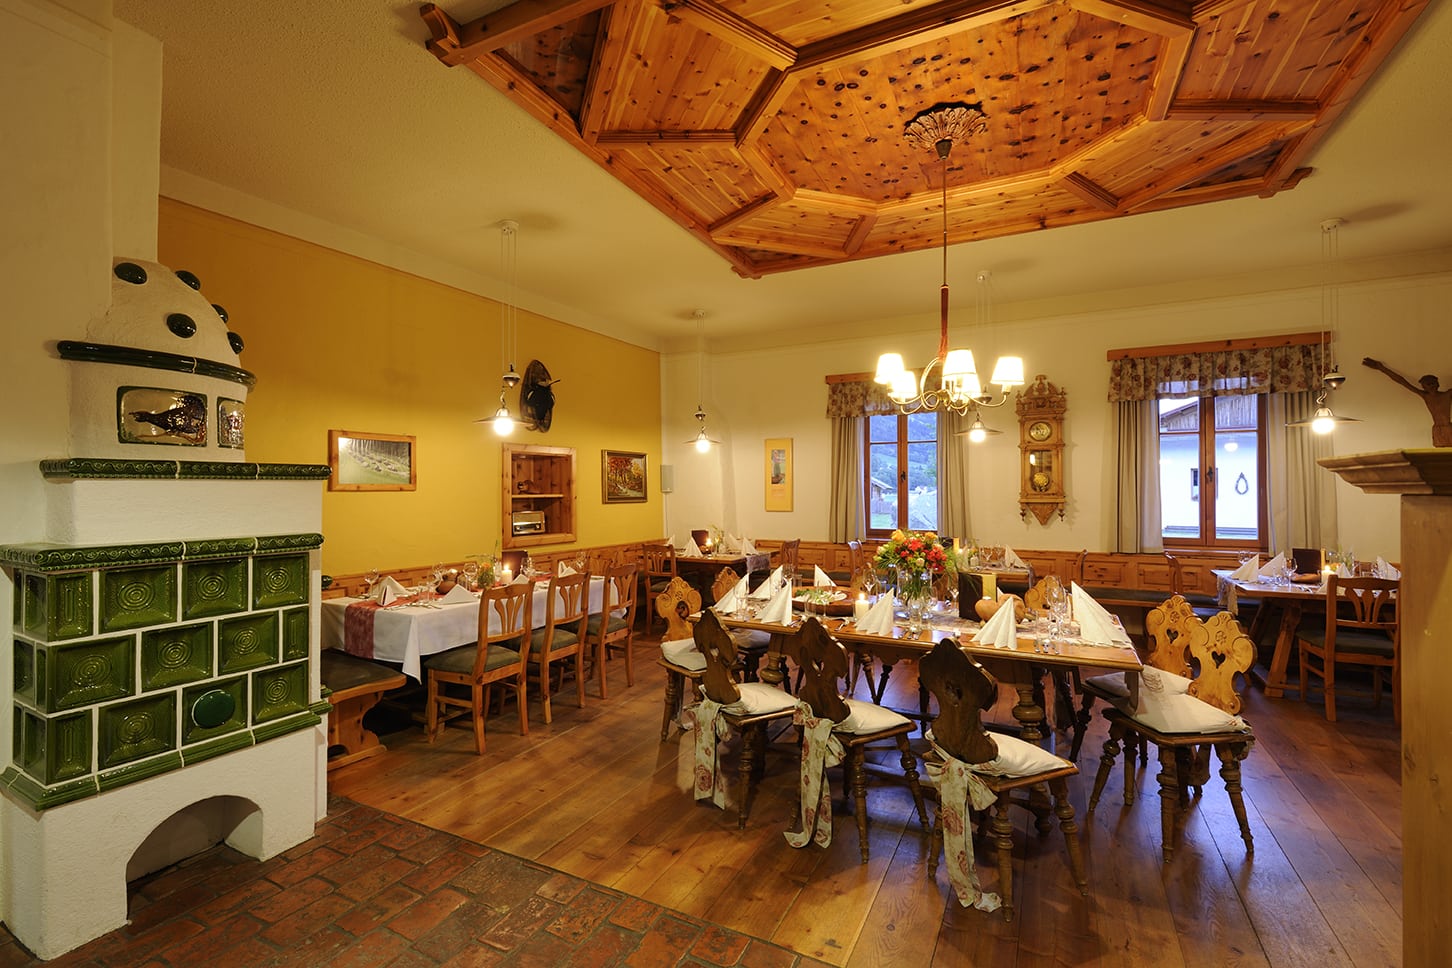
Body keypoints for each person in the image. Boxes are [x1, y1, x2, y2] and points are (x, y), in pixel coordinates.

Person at [1362, 357, 1452, 446]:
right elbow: (1402, 381)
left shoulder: (1447, 395)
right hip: (1437, 429)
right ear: (1424, 387)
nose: (1432, 386)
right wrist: (1382, 368)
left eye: (1433, 383)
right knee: (1439, 452)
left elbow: (1402, 381)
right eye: (1428, 384)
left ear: (1438, 384)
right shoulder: (1426, 396)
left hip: (1448, 428)